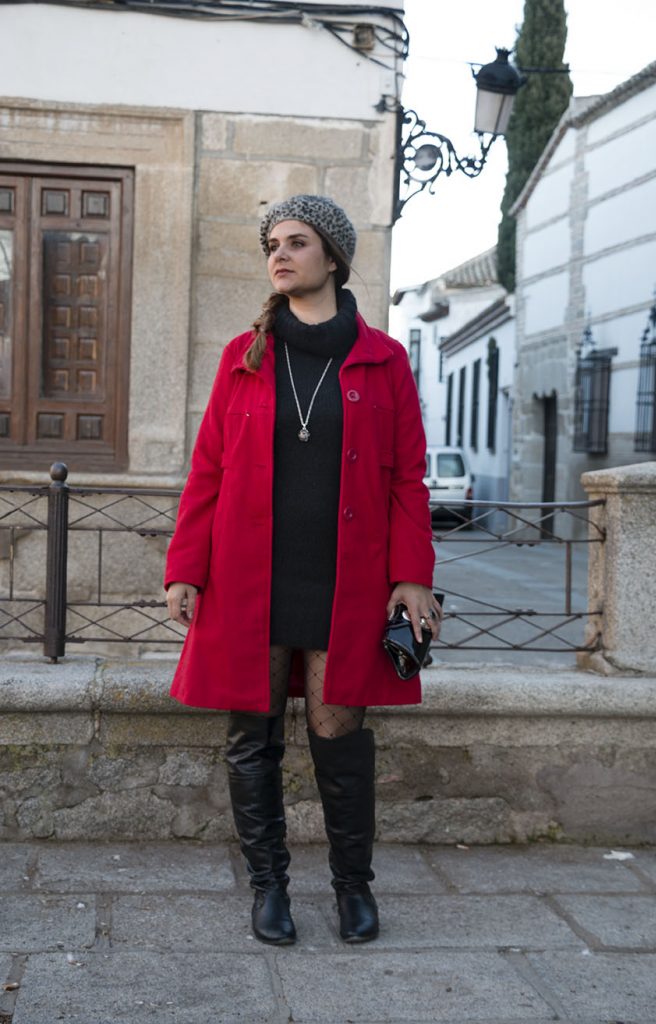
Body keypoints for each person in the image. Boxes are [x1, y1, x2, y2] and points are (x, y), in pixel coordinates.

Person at [165, 194, 441, 947]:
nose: (279, 255)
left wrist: (410, 574)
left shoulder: (384, 359)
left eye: (296, 242)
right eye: (271, 244)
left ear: (332, 257)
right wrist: (185, 567)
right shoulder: (243, 356)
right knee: (252, 735)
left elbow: (407, 479)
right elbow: (208, 472)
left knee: (338, 729)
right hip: (250, 575)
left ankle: (354, 888)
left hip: (344, 577)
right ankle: (269, 890)